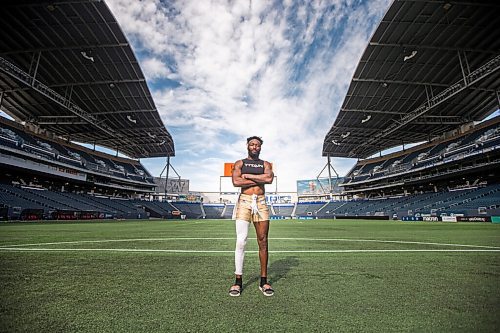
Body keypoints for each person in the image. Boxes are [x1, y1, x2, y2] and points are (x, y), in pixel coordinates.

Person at [229, 136, 275, 297]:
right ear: (247, 146)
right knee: (241, 241)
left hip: (261, 202)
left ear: (260, 147)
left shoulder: (266, 164)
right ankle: (238, 281)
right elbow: (236, 181)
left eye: (257, 145)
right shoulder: (240, 163)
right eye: (252, 144)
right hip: (244, 202)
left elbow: (269, 179)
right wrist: (258, 179)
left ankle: (264, 281)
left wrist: (247, 177)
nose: (254, 147)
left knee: (263, 241)